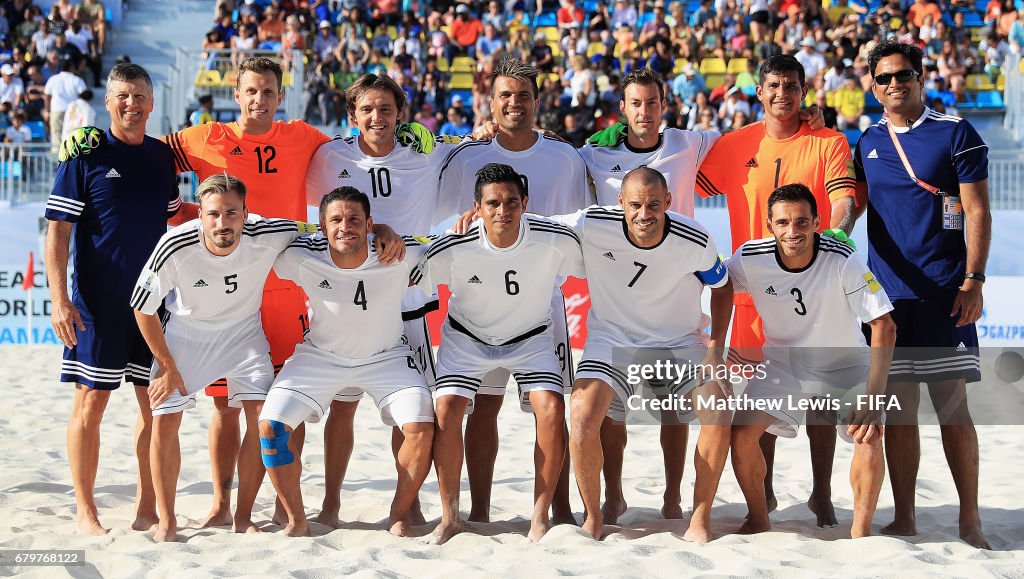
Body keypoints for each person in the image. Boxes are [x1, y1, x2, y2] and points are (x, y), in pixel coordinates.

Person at [58, 55, 429, 527]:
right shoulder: (205, 138)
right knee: (222, 406)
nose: (259, 99)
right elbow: (141, 145)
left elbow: (359, 144)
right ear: (237, 94)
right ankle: (220, 503)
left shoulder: (304, 137)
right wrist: (88, 140)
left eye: (268, 91)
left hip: (290, 288)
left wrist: (418, 136)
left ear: (280, 95)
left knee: (282, 402)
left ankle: (280, 503)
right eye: (250, 91)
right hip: (226, 294)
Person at [694, 54, 858, 528]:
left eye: (791, 84)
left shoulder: (828, 141)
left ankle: (821, 494)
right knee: (755, 402)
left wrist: (840, 235)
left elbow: (843, 201)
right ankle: (761, 493)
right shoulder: (734, 143)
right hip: (750, 293)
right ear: (760, 92)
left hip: (815, 294)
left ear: (802, 92)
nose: (782, 92)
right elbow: (684, 174)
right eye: (773, 85)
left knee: (822, 400)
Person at [438, 56, 592, 527]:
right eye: (505, 95)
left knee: (551, 407)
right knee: (484, 405)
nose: (514, 103)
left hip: (542, 303)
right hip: (482, 299)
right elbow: (444, 218)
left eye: (523, 95)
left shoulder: (563, 157)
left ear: (537, 101)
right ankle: (480, 510)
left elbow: (580, 224)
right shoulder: (467, 156)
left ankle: (557, 507)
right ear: (491, 100)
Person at [303, 73, 462, 528]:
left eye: (386, 109)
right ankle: (331, 503)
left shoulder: (426, 153)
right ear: (352, 115)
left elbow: (478, 145)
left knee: (409, 408)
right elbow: (320, 222)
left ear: (400, 114)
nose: (377, 117)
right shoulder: (329, 156)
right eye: (367, 109)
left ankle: (406, 505)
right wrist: (377, 230)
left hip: (408, 298)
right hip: (349, 301)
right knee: (344, 405)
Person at [853, 40, 992, 549]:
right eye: (885, 77)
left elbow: (976, 210)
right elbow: (858, 206)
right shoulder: (867, 138)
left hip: (944, 294)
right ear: (873, 85)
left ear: (920, 77)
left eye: (904, 74)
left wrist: (973, 279)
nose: (895, 83)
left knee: (953, 407)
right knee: (900, 411)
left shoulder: (956, 133)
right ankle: (906, 517)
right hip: (888, 300)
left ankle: (970, 520)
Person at [130, 175, 311, 542]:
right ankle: (167, 521)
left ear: (246, 213)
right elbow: (142, 307)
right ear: (201, 214)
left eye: (231, 213)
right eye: (213, 214)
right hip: (187, 336)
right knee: (163, 418)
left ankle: (242, 516)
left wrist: (383, 231)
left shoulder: (269, 232)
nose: (222, 222)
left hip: (244, 335)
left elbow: (327, 226)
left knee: (264, 420)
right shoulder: (175, 243)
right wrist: (166, 365)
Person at [560, 167, 733, 542]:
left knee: (717, 411)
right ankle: (598, 513)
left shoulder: (695, 238)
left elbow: (722, 288)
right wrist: (476, 218)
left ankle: (694, 513)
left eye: (654, 204)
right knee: (584, 414)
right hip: (612, 337)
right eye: (635, 204)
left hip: (680, 341)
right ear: (620, 203)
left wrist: (716, 350)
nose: (644, 213)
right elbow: (531, 222)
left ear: (668, 202)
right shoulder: (592, 222)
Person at [44, 63, 181, 535]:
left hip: (153, 308)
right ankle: (86, 512)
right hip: (97, 306)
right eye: (123, 95)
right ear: (108, 101)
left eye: (140, 96)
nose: (132, 104)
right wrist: (60, 299)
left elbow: (169, 222)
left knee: (153, 408)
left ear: (151, 102)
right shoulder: (84, 154)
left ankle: (147, 507)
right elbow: (58, 232)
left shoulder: (163, 158)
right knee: (91, 404)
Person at [422, 163, 585, 544]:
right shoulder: (453, 243)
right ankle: (450, 517)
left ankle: (540, 516)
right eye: (492, 203)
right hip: (468, 339)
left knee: (551, 408)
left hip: (532, 337)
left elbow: (599, 232)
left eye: (512, 202)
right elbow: (404, 266)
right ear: (476, 207)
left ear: (525, 203)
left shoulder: (553, 238)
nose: (503, 210)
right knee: (446, 409)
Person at [260, 187, 435, 538]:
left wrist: (388, 231)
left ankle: (398, 515)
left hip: (387, 357)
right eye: (336, 220)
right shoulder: (301, 254)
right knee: (271, 428)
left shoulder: (400, 251)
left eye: (355, 219)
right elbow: (253, 232)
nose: (345, 226)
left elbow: (455, 242)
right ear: (322, 227)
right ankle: (297, 519)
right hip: (321, 357)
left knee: (421, 427)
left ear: (369, 224)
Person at [727, 183, 897, 539]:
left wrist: (874, 396)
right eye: (784, 223)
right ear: (769, 224)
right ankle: (759, 517)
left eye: (802, 222)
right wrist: (715, 345)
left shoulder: (842, 258)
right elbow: (716, 284)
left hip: (844, 365)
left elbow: (883, 324)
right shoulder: (750, 257)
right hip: (783, 365)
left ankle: (861, 535)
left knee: (869, 436)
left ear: (817, 222)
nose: (793, 231)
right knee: (741, 433)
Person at [44, 54, 85, 150]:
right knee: (72, 135)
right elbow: (84, 96)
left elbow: (47, 95)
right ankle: (71, 159)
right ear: (71, 67)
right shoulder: (77, 80)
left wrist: (47, 111)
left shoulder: (53, 79)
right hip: (73, 111)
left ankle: (57, 161)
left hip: (57, 110)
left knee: (56, 134)